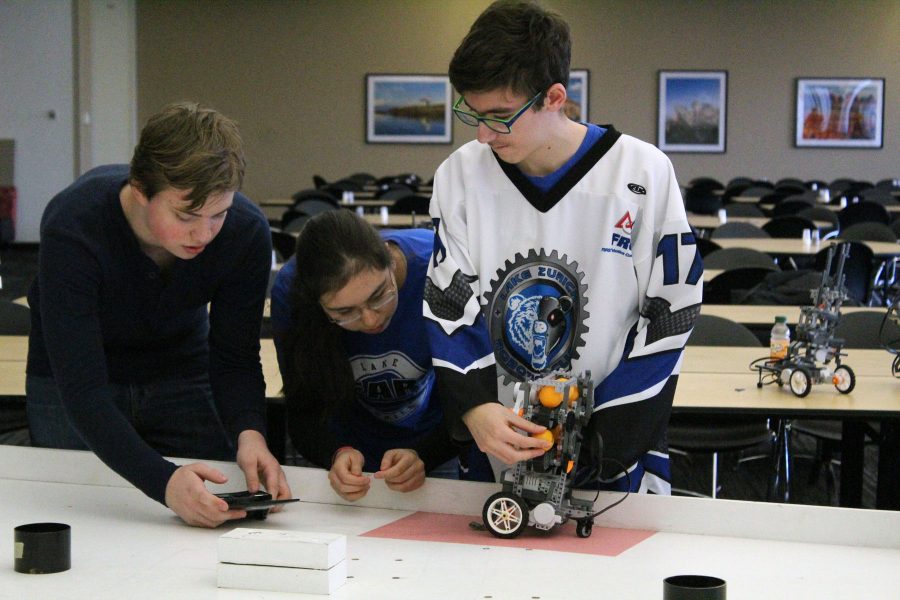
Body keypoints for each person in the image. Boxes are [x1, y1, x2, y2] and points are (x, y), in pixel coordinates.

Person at [424, 0, 703, 493]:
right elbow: (449, 302)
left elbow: (672, 311)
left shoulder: (641, 172)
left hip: (612, 448)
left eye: (501, 116)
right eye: (472, 112)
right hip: (497, 441)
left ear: (554, 96)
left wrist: (607, 439)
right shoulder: (460, 175)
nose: (484, 134)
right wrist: (473, 406)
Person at [26, 102, 290, 527]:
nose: (204, 233)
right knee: (79, 514)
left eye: (218, 214)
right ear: (140, 189)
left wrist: (250, 432)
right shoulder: (73, 226)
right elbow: (83, 389)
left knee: (211, 510)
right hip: (74, 381)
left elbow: (235, 356)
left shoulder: (244, 231)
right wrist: (164, 482)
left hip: (180, 369)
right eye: (186, 216)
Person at [270, 210, 492, 502]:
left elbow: (476, 393)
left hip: (440, 444)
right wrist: (336, 453)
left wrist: (425, 454)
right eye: (344, 312)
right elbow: (303, 407)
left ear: (388, 258)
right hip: (350, 459)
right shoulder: (291, 291)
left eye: (379, 296)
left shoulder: (438, 268)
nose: (371, 319)